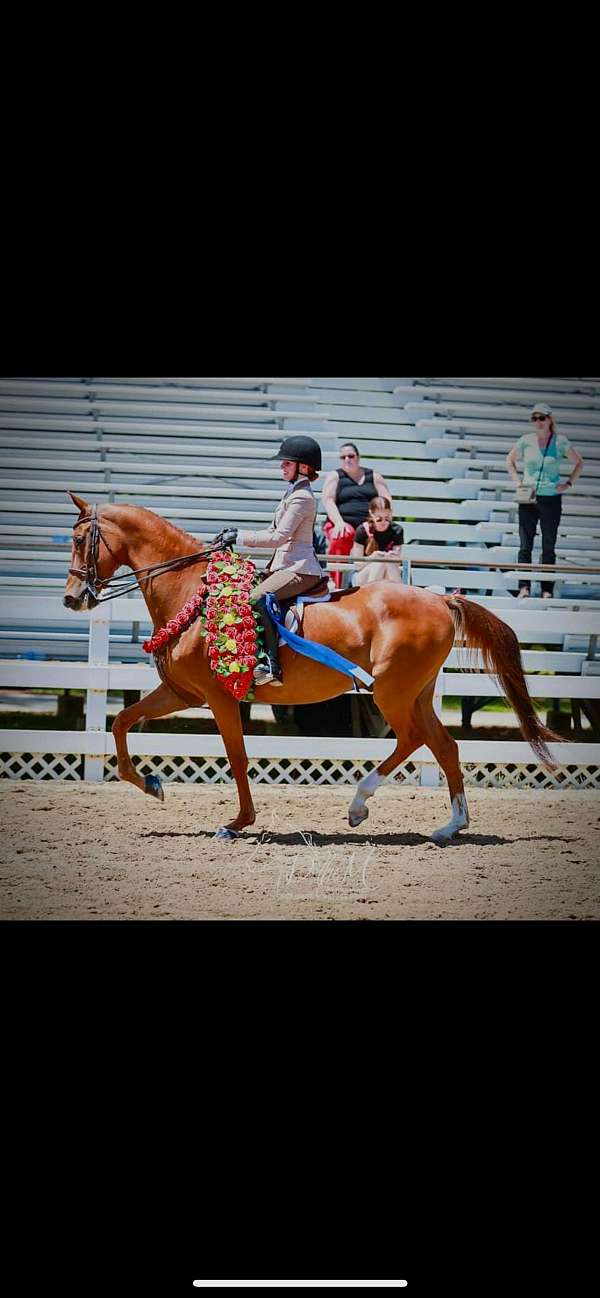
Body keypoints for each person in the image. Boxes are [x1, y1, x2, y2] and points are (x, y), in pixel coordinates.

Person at [217, 435, 325, 686]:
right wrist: (237, 534)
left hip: (301, 569)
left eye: (287, 463)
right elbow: (270, 532)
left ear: (304, 468)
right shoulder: (291, 494)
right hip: (284, 565)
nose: (282, 467)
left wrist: (241, 536)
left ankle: (271, 664)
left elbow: (278, 538)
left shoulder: (302, 498)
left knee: (256, 598)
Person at [505, 402, 584, 599]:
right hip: (529, 496)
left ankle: (546, 589)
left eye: (542, 418)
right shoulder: (526, 440)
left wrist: (568, 484)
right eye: (534, 418)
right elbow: (510, 460)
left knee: (548, 545)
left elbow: (579, 462)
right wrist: (517, 482)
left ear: (550, 419)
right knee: (525, 544)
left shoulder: (560, 441)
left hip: (550, 498)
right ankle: (524, 587)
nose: (538, 422)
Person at [321, 443, 393, 589]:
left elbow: (386, 500)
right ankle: (337, 584)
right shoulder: (335, 476)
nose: (347, 459)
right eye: (343, 457)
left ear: (358, 457)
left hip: (369, 524)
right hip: (342, 522)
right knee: (342, 534)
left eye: (351, 456)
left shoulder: (373, 476)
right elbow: (328, 500)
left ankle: (372, 585)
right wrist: (339, 523)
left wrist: (379, 521)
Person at [350, 497, 404, 585]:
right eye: (379, 519)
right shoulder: (362, 530)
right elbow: (358, 565)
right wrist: (373, 558)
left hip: (389, 572)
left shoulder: (397, 530)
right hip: (363, 575)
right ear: (371, 514)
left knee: (387, 562)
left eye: (387, 518)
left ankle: (395, 595)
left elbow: (397, 564)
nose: (383, 522)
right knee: (380, 562)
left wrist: (392, 558)